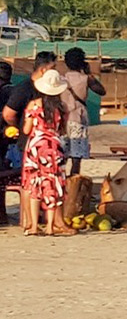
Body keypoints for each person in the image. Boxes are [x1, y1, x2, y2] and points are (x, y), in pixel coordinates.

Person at [4, 51, 57, 231]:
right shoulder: (25, 89)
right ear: (43, 70)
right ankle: (31, 221)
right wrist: (19, 132)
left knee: (31, 184)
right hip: (33, 145)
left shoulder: (38, 98)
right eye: (53, 67)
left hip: (31, 144)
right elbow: (8, 113)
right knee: (36, 184)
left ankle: (32, 223)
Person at [22, 70, 74, 236]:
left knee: (34, 185)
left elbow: (27, 129)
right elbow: (63, 130)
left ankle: (34, 226)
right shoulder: (62, 108)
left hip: (36, 147)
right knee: (53, 186)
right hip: (54, 147)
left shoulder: (34, 105)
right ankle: (51, 226)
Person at [60, 47, 106, 176]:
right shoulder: (86, 79)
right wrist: (89, 73)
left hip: (62, 120)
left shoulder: (61, 79)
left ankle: (60, 182)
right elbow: (102, 91)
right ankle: (74, 182)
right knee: (76, 156)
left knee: (61, 154)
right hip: (78, 118)